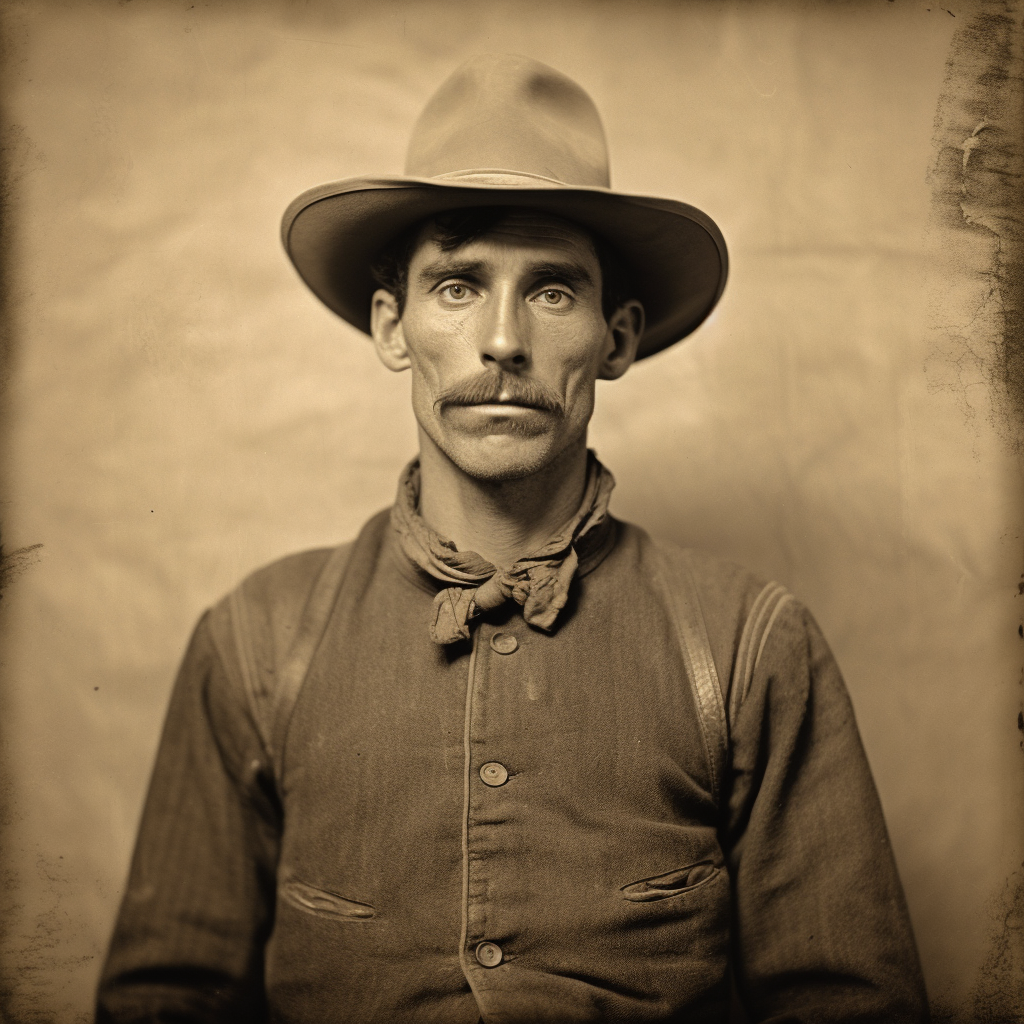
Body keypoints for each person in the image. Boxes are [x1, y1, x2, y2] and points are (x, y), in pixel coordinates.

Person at [96, 54, 929, 1023]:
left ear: (615, 339)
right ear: (391, 326)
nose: (502, 340)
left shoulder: (748, 649)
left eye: (551, 291)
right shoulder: (254, 645)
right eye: (455, 286)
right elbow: (162, 1000)